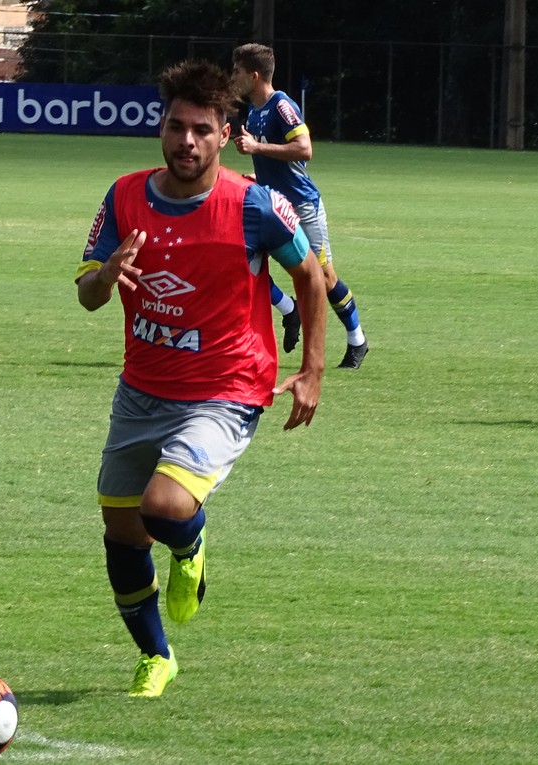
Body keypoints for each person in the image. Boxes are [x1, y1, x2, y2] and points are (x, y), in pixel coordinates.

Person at [75, 59, 327, 697]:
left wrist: (312, 370)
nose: (186, 141)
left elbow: (310, 277)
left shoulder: (255, 205)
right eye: (175, 127)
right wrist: (105, 277)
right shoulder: (124, 195)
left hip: (226, 387)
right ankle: (156, 657)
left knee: (165, 508)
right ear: (161, 129)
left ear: (225, 134)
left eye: (202, 130)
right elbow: (86, 293)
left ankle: (190, 548)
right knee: (121, 532)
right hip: (141, 389)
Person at [231, 43, 369, 369]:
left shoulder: (281, 105)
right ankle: (288, 309)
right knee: (244, 263)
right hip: (271, 204)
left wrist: (257, 150)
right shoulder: (254, 110)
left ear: (254, 75)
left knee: (323, 277)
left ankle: (357, 340)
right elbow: (277, 159)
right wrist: (257, 174)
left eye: (237, 71)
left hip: (302, 205)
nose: (232, 76)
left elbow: (304, 149)